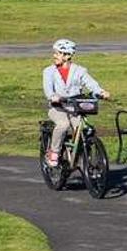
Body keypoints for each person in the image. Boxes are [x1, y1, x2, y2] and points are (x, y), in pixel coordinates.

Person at [41, 38, 110, 167]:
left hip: (75, 107)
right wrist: (53, 96)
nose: (54, 56)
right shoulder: (48, 71)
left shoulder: (79, 71)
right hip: (58, 107)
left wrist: (101, 92)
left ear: (66, 56)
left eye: (57, 53)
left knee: (82, 127)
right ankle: (54, 152)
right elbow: (48, 90)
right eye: (55, 53)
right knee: (63, 125)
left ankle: (80, 154)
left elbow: (91, 83)